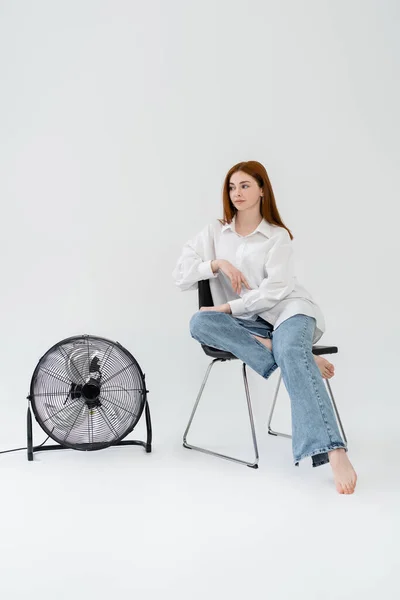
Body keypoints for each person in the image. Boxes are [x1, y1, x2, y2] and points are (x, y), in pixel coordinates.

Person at [172, 160, 357, 495]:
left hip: (290, 313)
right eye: (232, 187)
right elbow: (181, 275)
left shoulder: (277, 237)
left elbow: (276, 292)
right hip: (247, 324)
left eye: (245, 186)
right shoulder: (214, 233)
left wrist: (229, 306)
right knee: (199, 321)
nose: (237, 193)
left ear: (261, 189)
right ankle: (291, 353)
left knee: (287, 344)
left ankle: (335, 450)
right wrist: (216, 263)